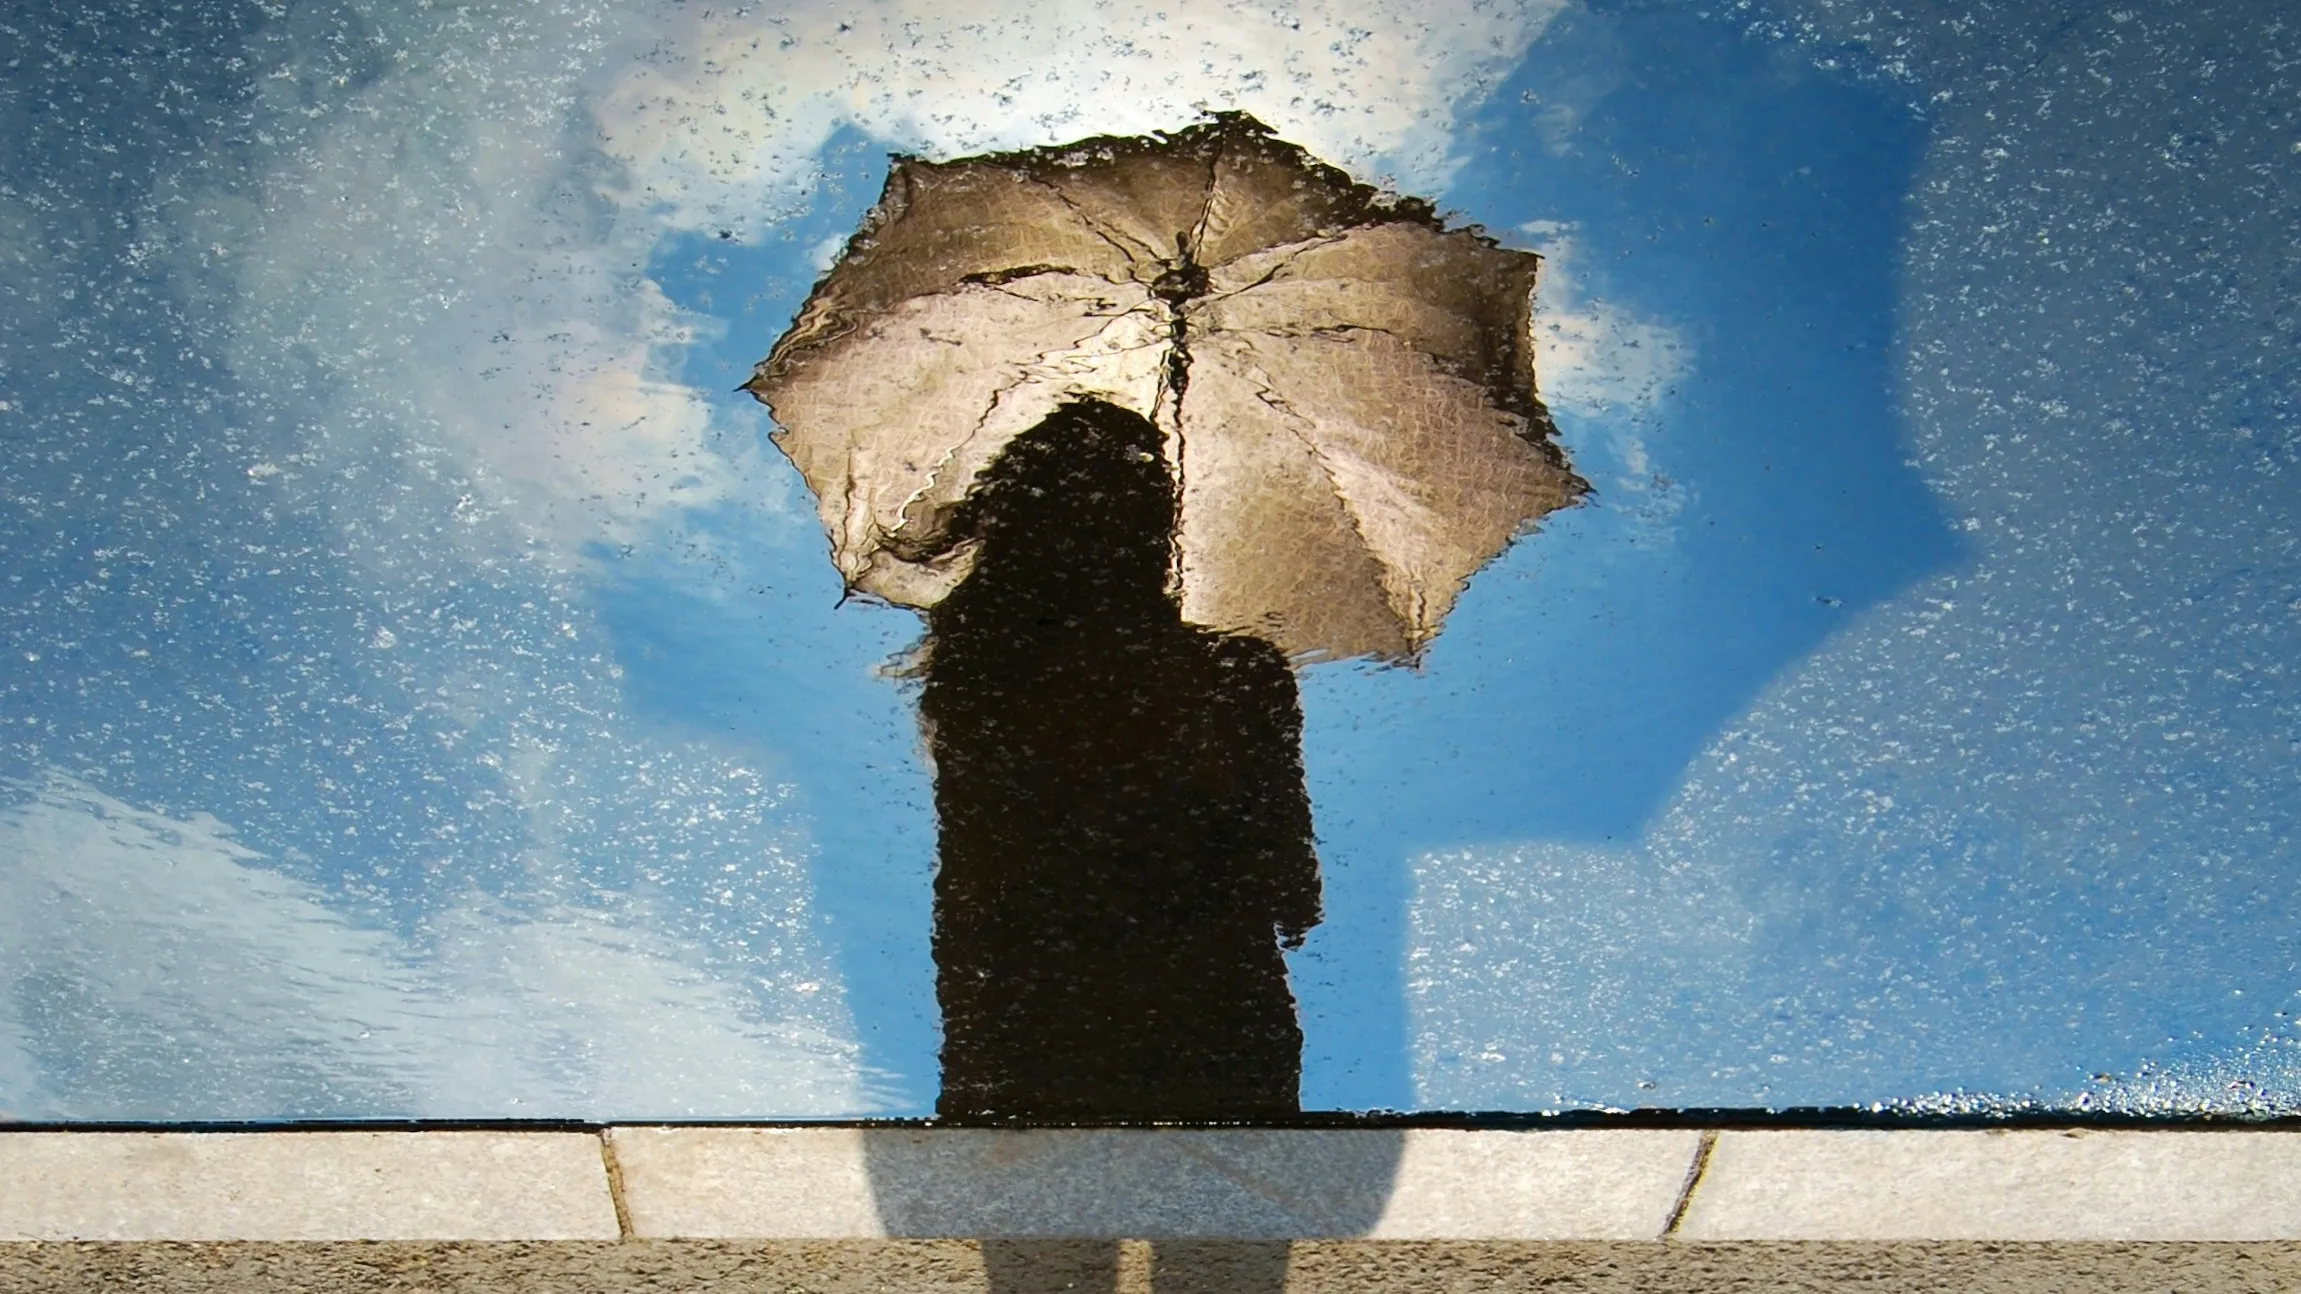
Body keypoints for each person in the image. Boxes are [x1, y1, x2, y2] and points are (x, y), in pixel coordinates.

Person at [917, 397, 1321, 1119]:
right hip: (1211, 1025)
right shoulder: (1238, 676)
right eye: (1152, 499)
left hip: (1031, 1029)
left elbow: (970, 903)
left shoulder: (984, 681)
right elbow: (1292, 894)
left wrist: (972, 1064)